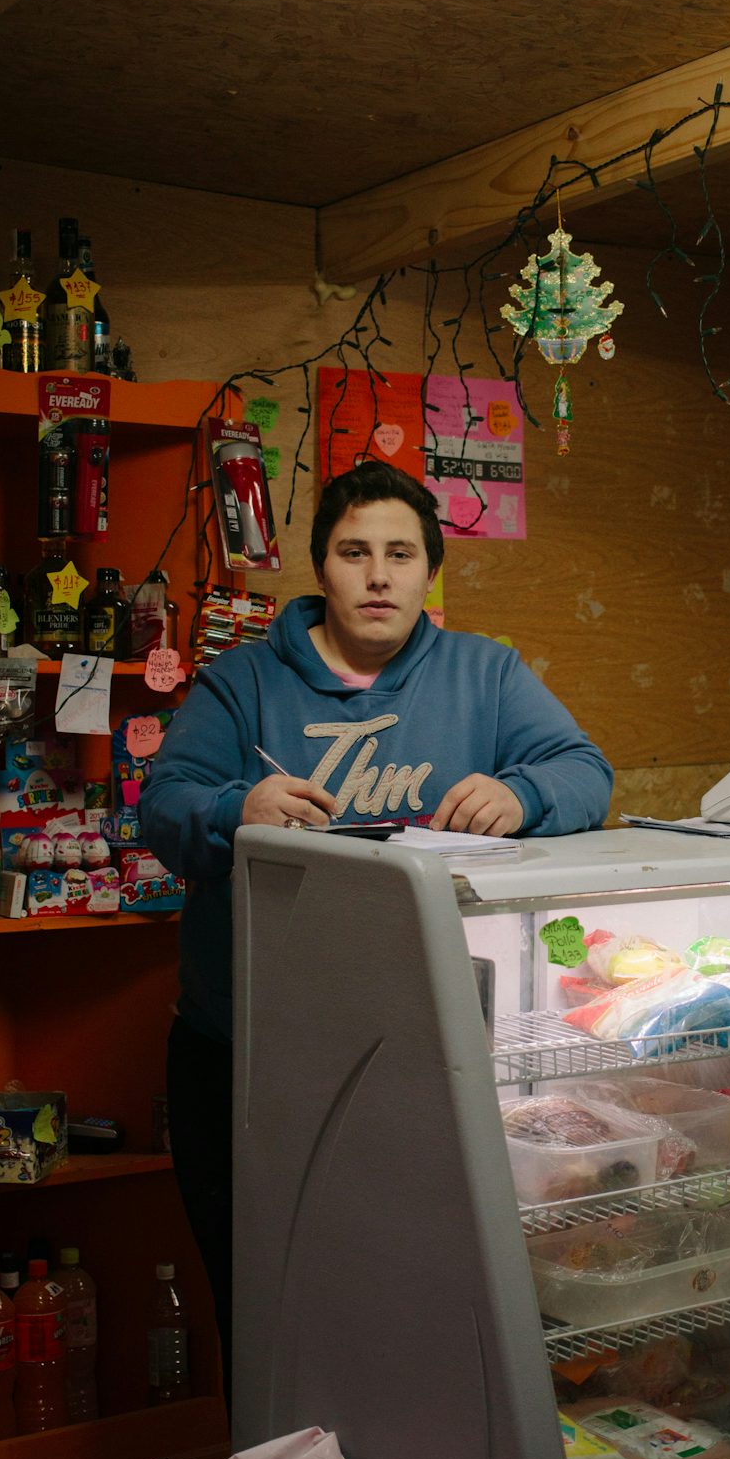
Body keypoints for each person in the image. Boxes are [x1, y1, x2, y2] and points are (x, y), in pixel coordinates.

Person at [140, 460, 612, 1398]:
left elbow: (586, 772)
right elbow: (162, 808)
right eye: (356, 553)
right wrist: (242, 807)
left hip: (425, 1065)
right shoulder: (244, 683)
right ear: (323, 568)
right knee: (266, 1315)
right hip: (248, 1061)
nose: (380, 575)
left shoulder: (485, 672)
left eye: (402, 554)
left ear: (429, 572)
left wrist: (522, 793)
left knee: (410, 1311)